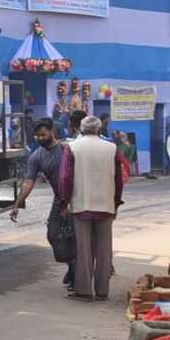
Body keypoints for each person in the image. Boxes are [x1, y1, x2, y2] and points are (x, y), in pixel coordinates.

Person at [58, 116, 124, 301]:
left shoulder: (72, 147)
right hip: (106, 204)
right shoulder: (112, 148)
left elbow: (65, 178)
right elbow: (118, 179)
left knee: (84, 249)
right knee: (105, 249)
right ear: (99, 129)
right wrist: (116, 202)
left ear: (81, 129)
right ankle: (102, 290)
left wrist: (64, 202)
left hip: (81, 205)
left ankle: (84, 290)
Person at [10, 117, 74, 287]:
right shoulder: (36, 156)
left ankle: (76, 273)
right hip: (59, 200)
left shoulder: (67, 149)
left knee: (73, 237)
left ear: (52, 132)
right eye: (38, 136)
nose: (40, 138)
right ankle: (71, 264)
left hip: (75, 199)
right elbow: (28, 182)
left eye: (43, 135)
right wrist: (17, 204)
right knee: (53, 235)